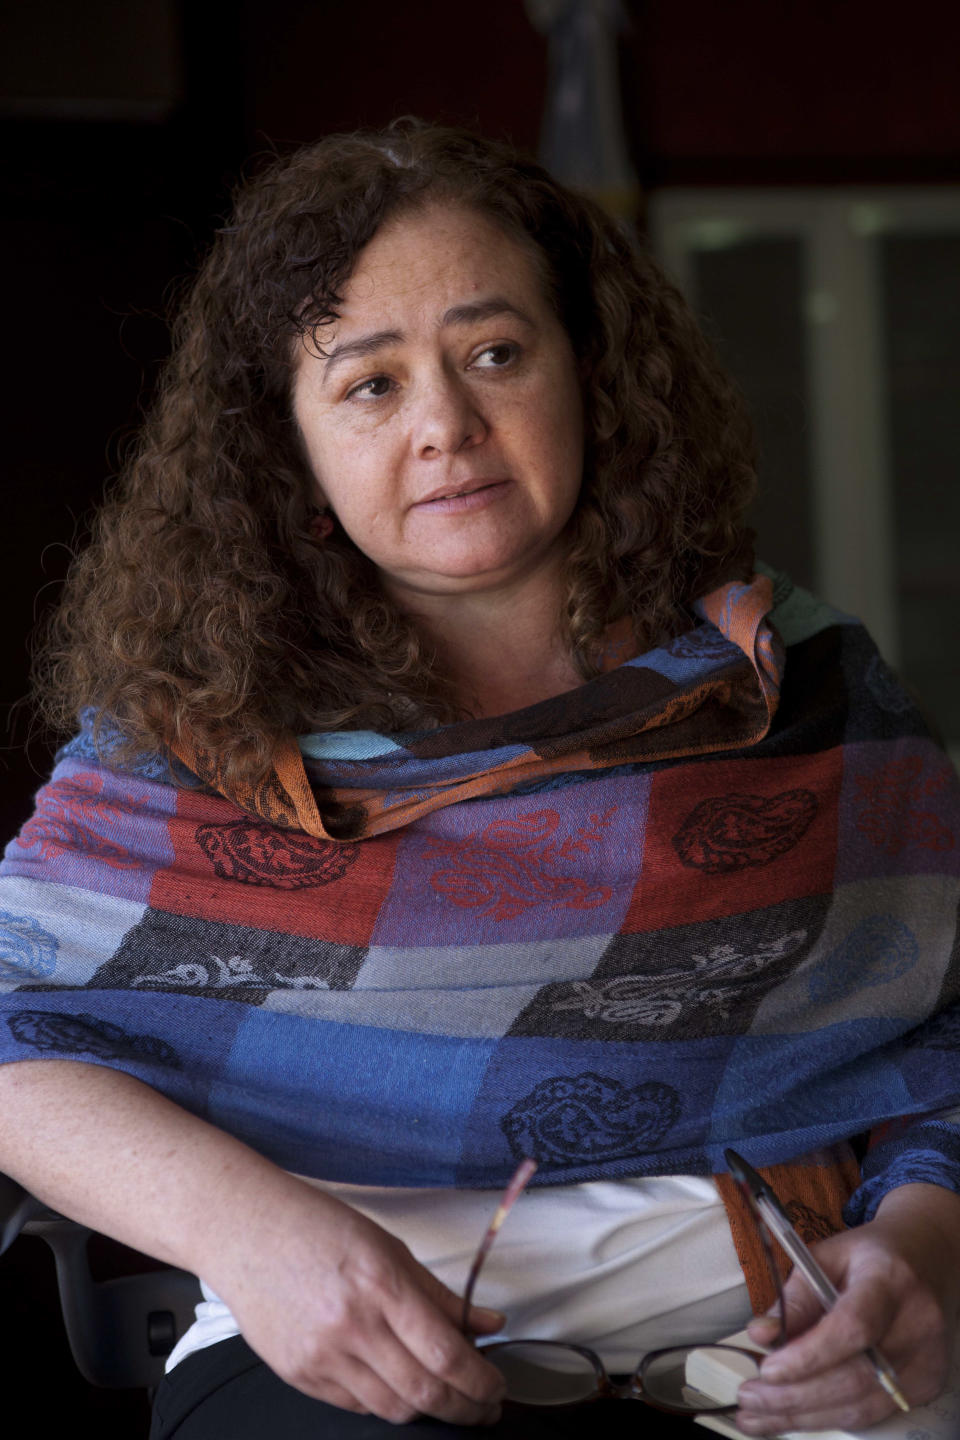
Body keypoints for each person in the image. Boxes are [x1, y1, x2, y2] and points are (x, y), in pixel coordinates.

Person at [1, 119, 959, 1440]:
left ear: (592, 375)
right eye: (370, 383)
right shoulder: (189, 735)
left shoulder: (801, 687)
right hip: (335, 1304)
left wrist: (925, 1250)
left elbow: (943, 1036)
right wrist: (261, 1238)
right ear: (290, 447)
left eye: (494, 353)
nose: (447, 425)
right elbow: (12, 1032)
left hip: (782, 1301)